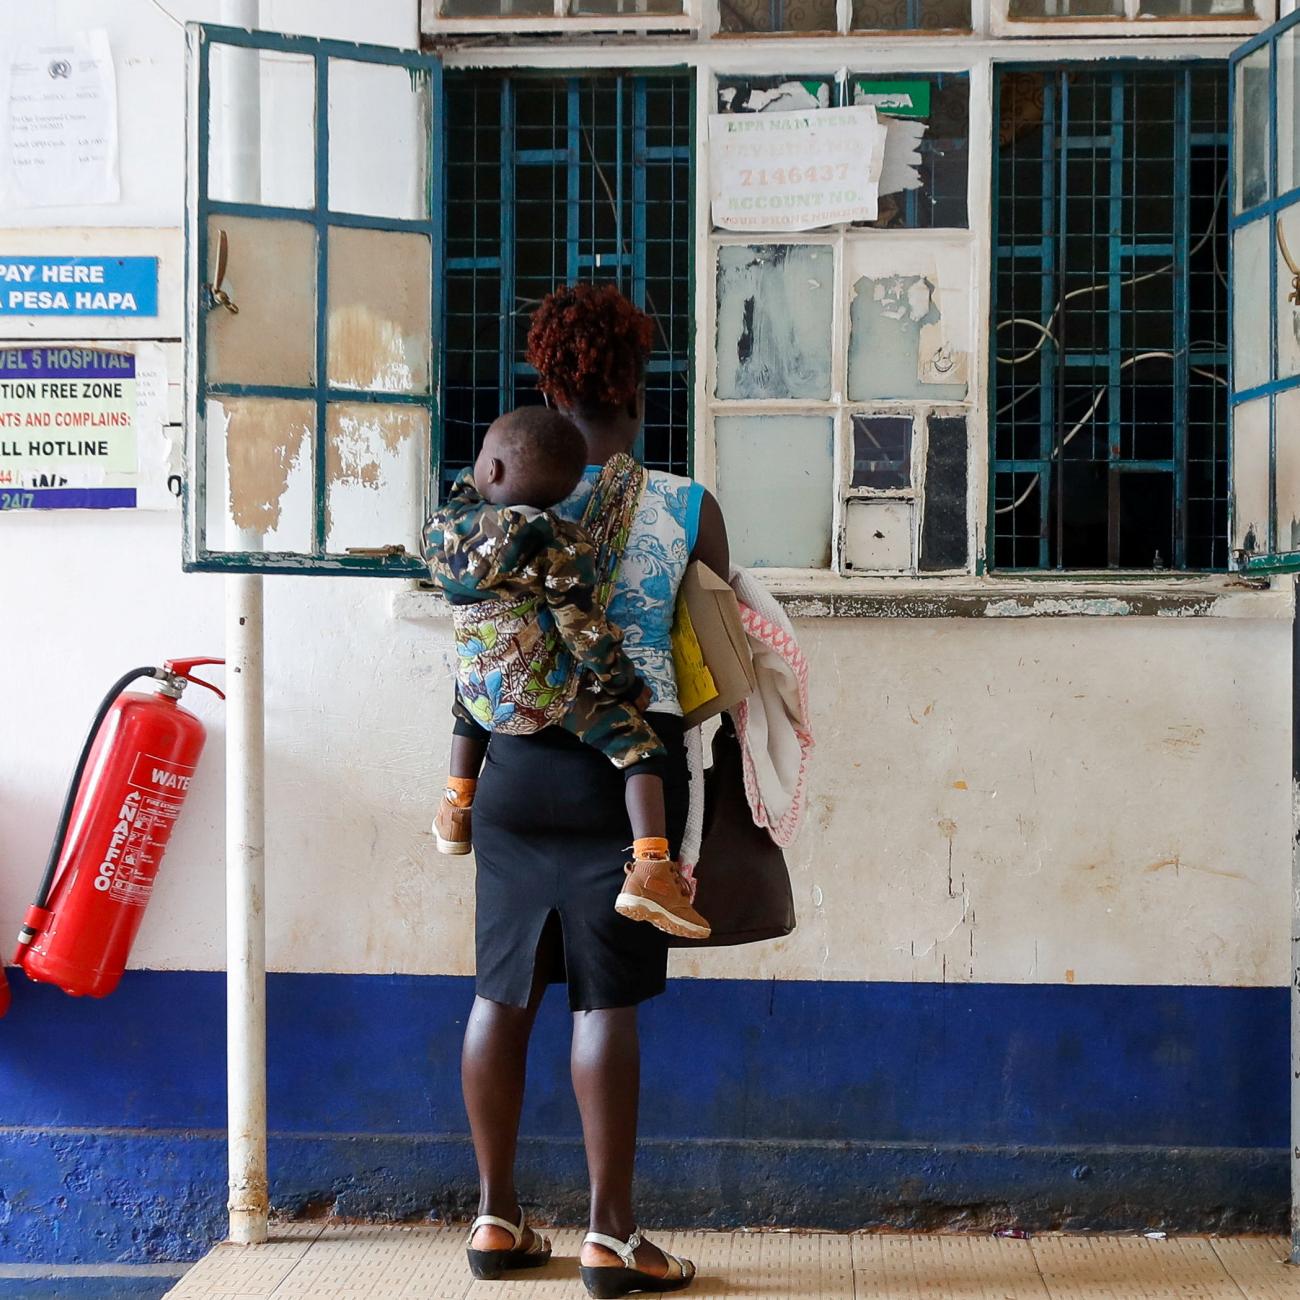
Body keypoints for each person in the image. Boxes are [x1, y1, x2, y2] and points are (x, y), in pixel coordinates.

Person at [457, 284, 730, 1297]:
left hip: (510, 771)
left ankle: (494, 1219)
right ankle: (611, 1239)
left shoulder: (496, 494)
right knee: (605, 1001)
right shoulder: (686, 505)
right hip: (632, 779)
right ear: (639, 383)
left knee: (501, 991)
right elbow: (715, 651)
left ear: (545, 381)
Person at [424, 405, 709, 940]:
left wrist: (488, 468)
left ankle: (457, 806)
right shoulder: (561, 543)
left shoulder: (442, 526)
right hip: (547, 693)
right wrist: (627, 685)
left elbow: (475, 485)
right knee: (639, 746)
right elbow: (583, 634)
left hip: (484, 694)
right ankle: (651, 866)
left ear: (491, 471)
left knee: (466, 694)